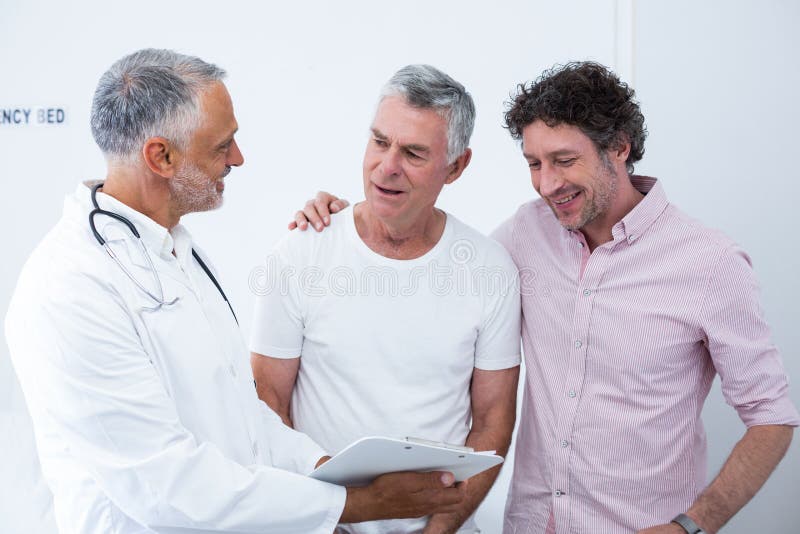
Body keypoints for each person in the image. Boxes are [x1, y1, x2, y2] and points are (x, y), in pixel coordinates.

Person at [291, 61, 799, 534]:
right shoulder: (526, 234)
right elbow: (432, 259)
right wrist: (343, 219)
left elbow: (772, 418)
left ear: (619, 148)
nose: (548, 184)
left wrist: (692, 525)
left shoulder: (710, 264)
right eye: (534, 163)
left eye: (564, 160)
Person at [4, 49, 468, 534]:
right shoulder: (70, 287)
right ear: (161, 156)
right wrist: (353, 504)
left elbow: (242, 415)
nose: (238, 158)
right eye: (222, 145)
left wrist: (328, 465)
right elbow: (166, 487)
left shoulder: (172, 247)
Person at [249, 65, 521, 534]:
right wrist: (323, 518)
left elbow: (493, 425)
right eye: (379, 142)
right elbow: (266, 400)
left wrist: (438, 531)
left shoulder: (489, 269)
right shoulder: (302, 250)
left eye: (414, 153)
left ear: (456, 166)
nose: (386, 166)